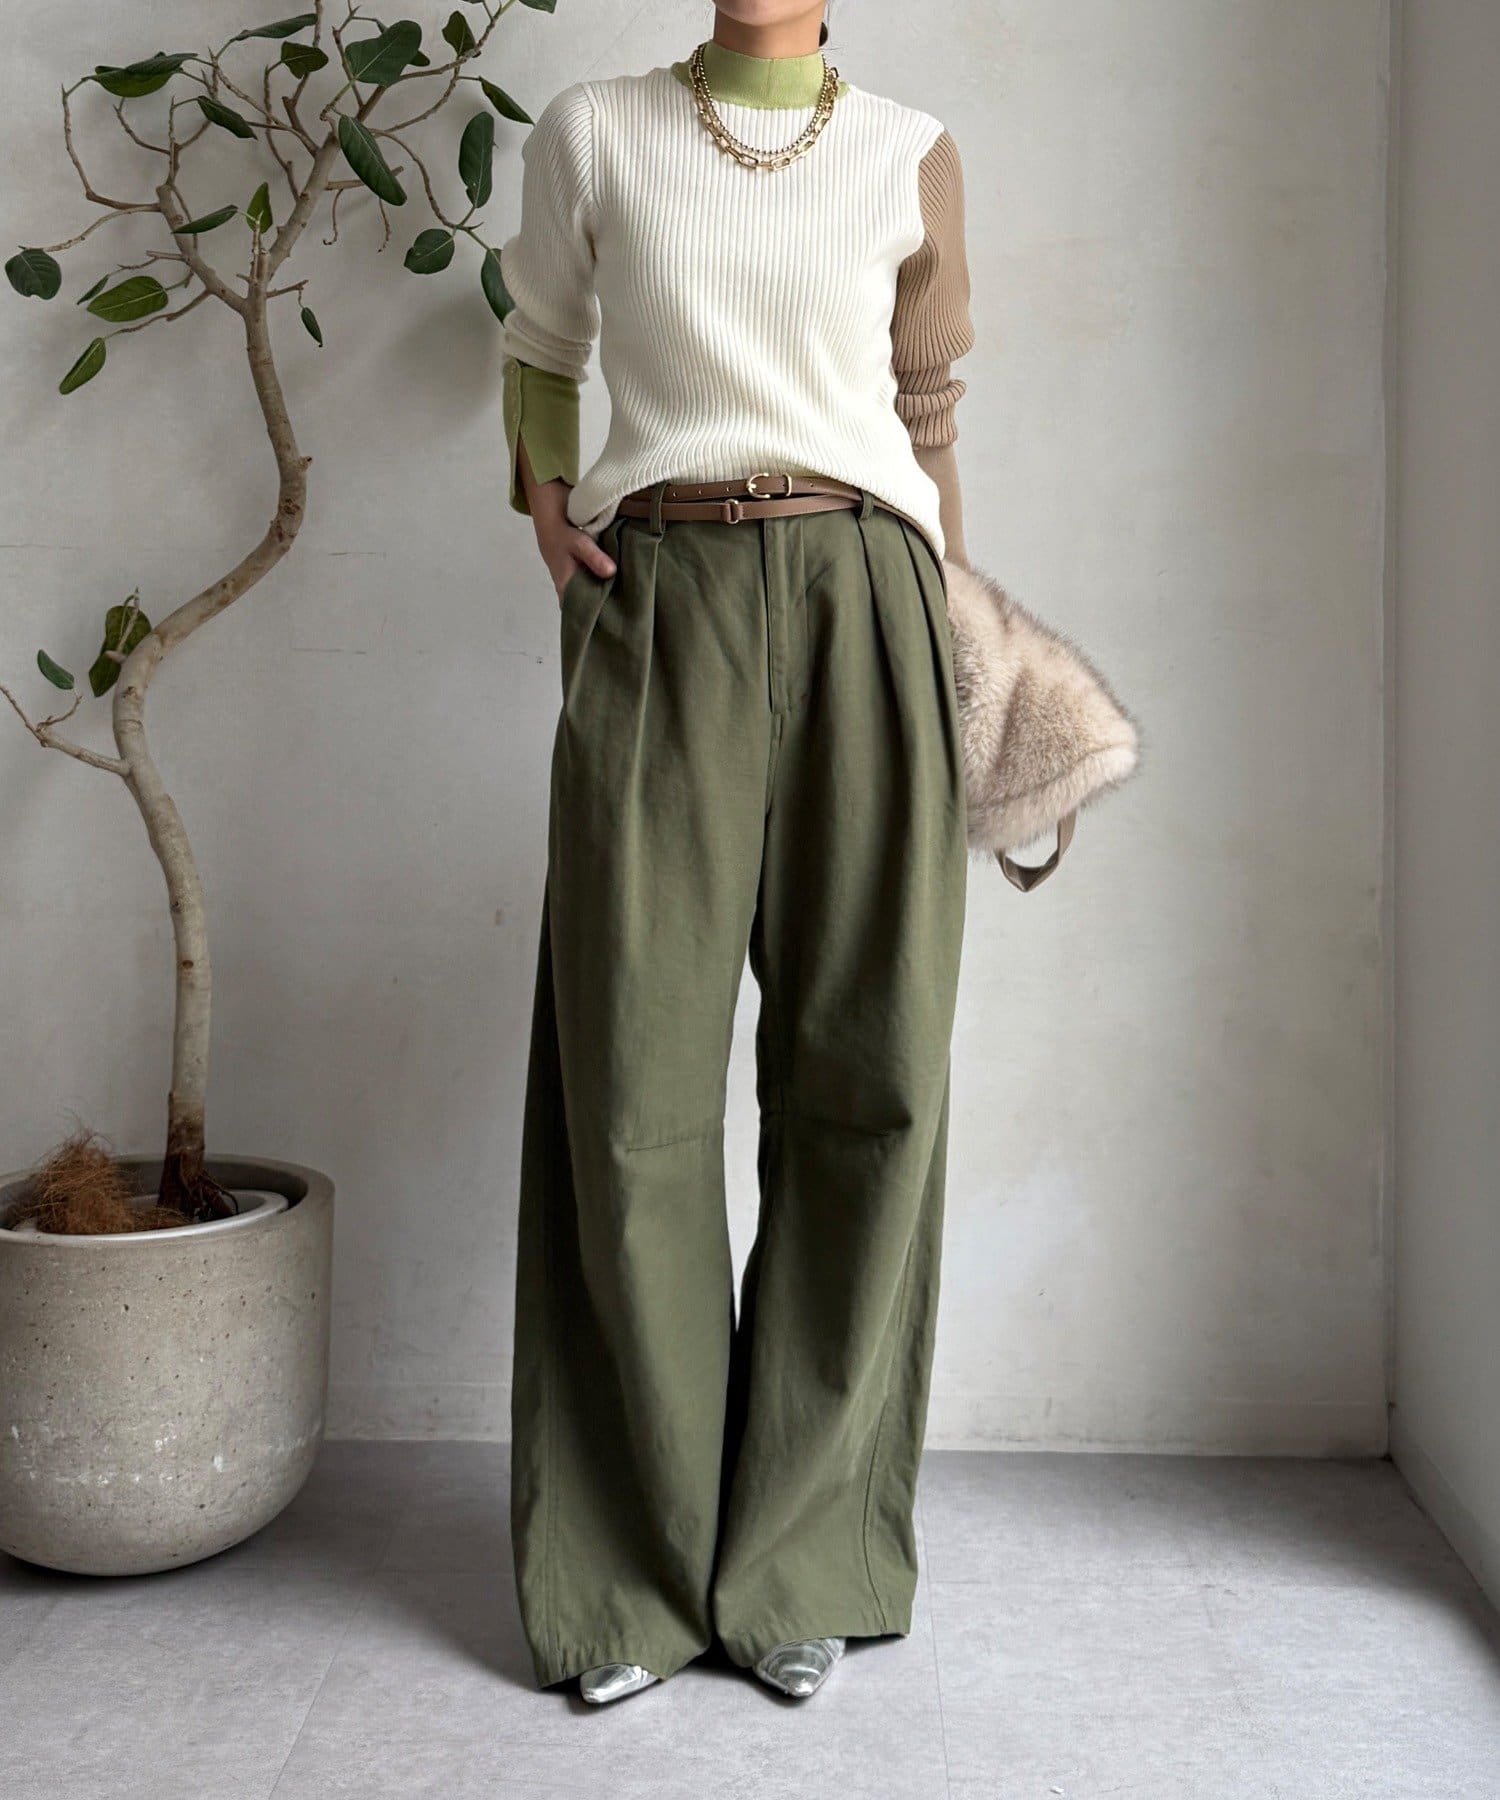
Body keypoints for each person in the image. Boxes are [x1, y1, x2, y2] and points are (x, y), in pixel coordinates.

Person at [498, 0, 974, 1705]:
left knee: (873, 1075)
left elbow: (928, 414)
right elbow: (542, 343)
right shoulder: (595, 130)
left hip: (870, 596)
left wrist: (959, 643)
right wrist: (544, 504)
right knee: (629, 1082)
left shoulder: (909, 152)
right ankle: (629, 1576)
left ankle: (804, 1556)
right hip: (665, 592)